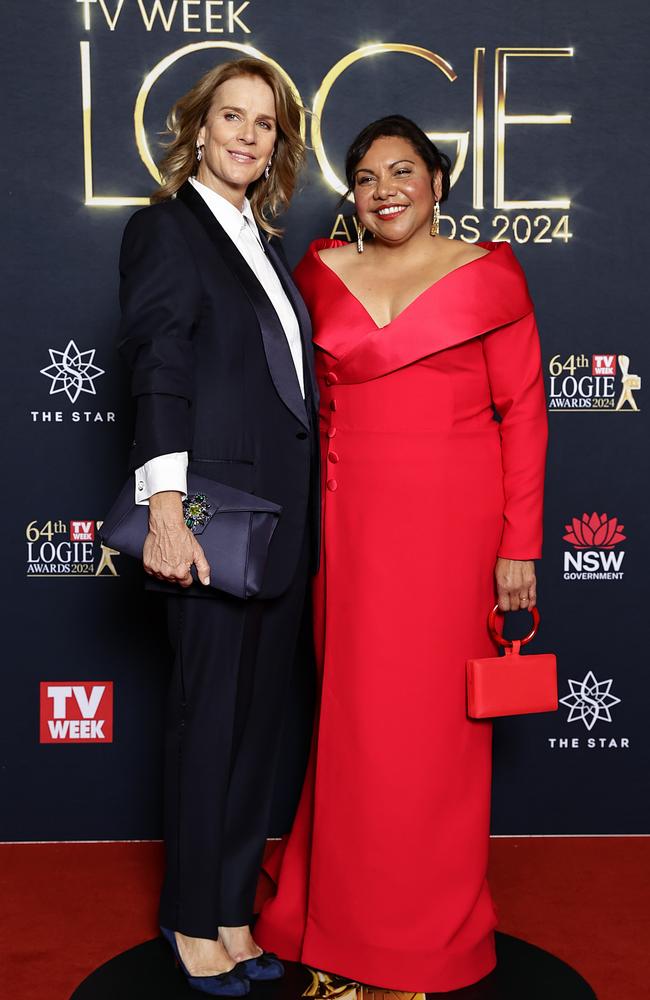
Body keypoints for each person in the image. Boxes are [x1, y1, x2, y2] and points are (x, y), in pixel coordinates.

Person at [255, 115, 548, 992]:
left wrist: (519, 546)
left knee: (436, 739)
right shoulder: (318, 271)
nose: (386, 189)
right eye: (368, 176)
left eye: (403, 170)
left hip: (459, 533)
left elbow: (525, 415)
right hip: (352, 530)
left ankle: (427, 929)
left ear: (437, 181)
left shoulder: (488, 274)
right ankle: (340, 921)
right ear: (353, 194)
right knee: (356, 726)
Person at [117, 58, 319, 995]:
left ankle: (233, 910)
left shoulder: (263, 242)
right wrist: (164, 509)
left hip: (285, 531)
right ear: (198, 129)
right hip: (210, 521)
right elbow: (160, 365)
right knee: (207, 725)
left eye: (265, 124)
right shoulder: (167, 230)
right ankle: (191, 920)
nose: (247, 134)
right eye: (231, 117)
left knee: (255, 730)